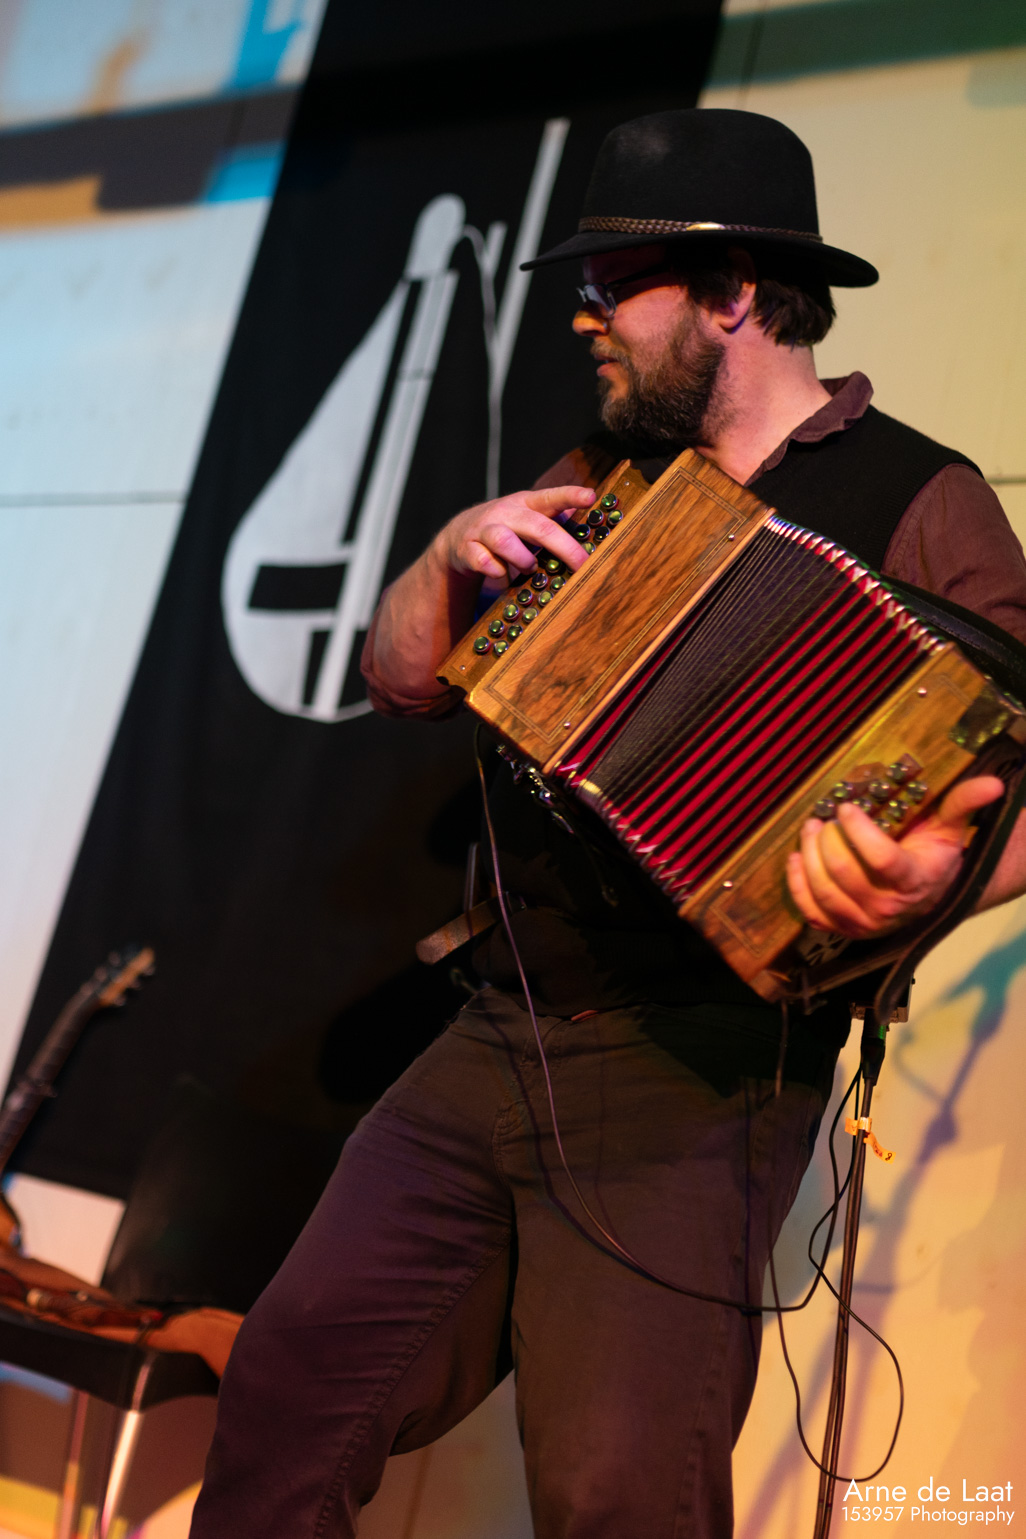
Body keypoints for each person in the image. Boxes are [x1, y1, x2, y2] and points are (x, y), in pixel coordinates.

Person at [190, 109, 1026, 1539]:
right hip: (497, 1027)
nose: (582, 314)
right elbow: (401, 679)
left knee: (615, 1496)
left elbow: (1014, 774)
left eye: (613, 282)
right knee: (286, 1390)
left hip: (700, 1075)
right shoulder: (600, 477)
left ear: (733, 294)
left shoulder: (920, 496)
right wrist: (444, 558)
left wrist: (932, 880)